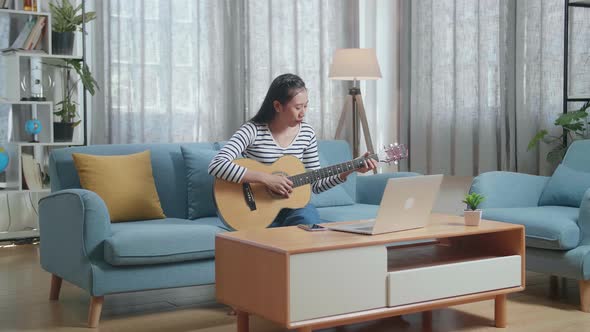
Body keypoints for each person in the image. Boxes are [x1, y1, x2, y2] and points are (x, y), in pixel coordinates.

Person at [208, 73, 377, 227]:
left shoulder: (306, 133)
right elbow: (217, 165)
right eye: (297, 107)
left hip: (293, 208)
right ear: (277, 106)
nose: (303, 113)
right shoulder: (253, 130)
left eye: (306, 106)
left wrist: (350, 169)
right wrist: (266, 179)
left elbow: (316, 185)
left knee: (311, 226)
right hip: (255, 208)